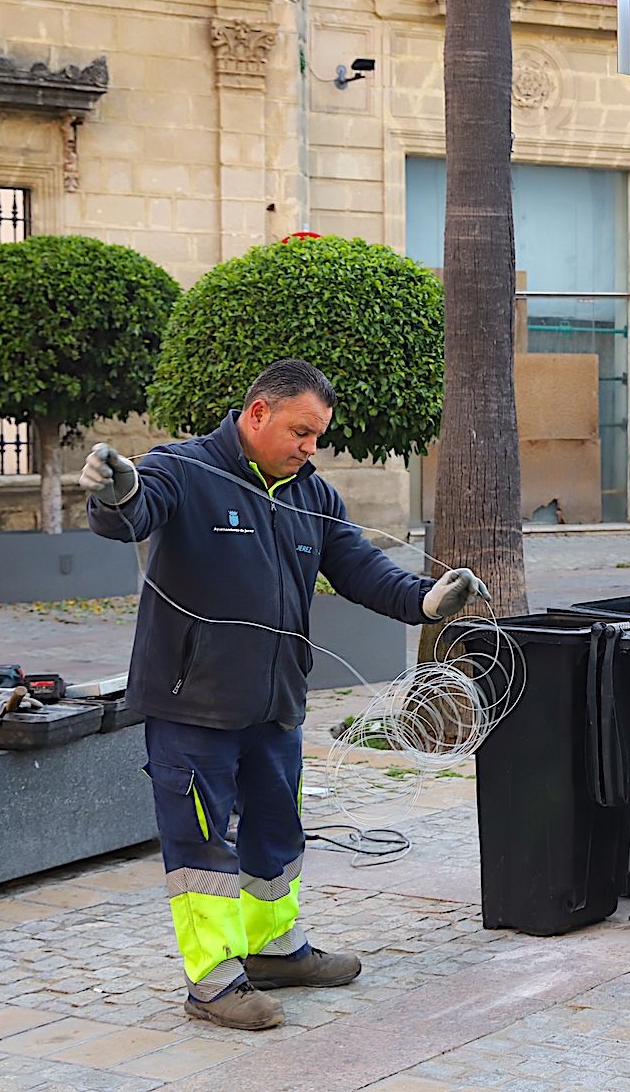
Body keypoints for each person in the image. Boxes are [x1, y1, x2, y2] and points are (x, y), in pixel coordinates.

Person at [81, 359, 488, 1029]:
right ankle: (212, 983)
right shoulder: (181, 470)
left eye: (318, 436)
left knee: (277, 833)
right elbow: (132, 511)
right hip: (192, 704)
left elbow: (362, 571)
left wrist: (427, 600)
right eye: (302, 431)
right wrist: (112, 493)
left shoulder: (312, 494)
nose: (310, 447)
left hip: (275, 702)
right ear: (259, 412)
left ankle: (275, 950)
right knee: (202, 847)